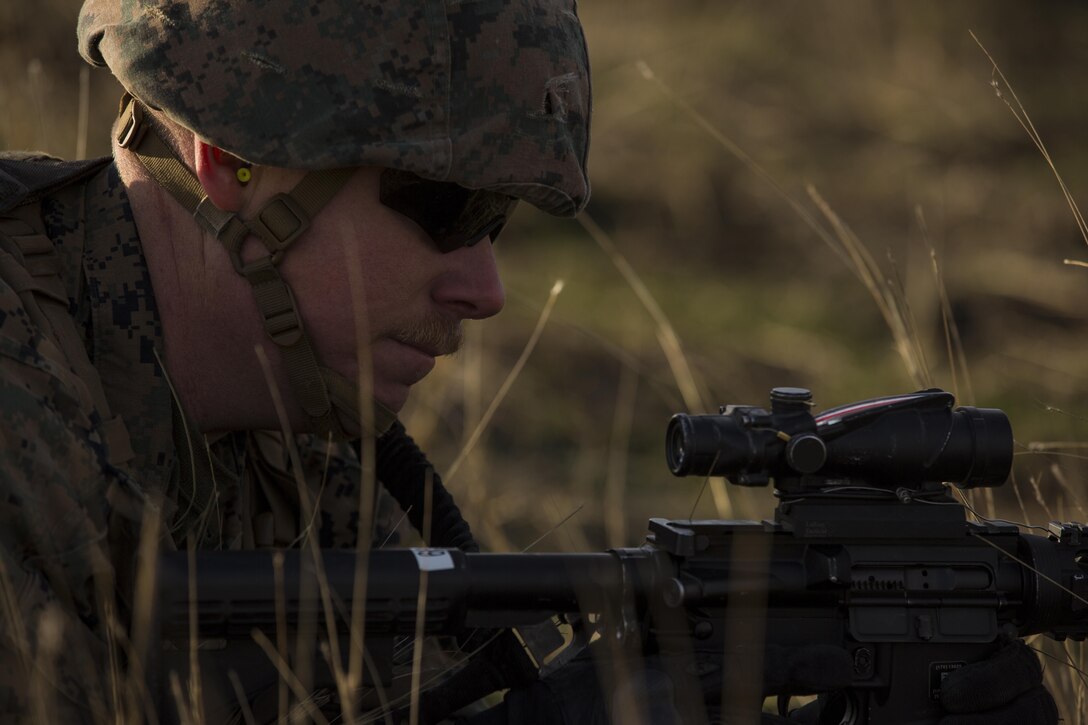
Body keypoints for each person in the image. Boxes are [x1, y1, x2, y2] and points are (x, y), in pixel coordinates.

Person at [0, 1, 1060, 723]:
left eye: (495, 219)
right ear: (228, 161)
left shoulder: (308, 435)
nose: (484, 289)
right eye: (444, 208)